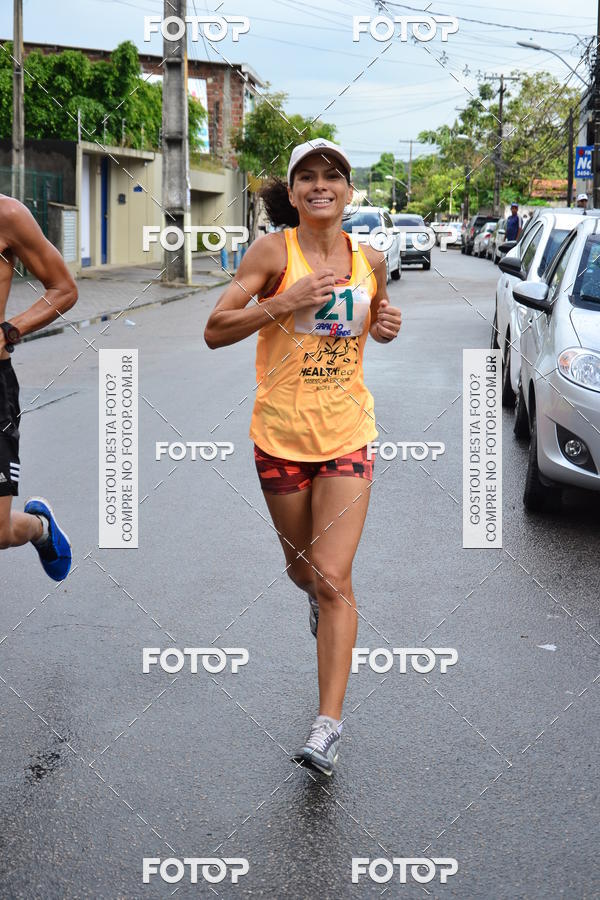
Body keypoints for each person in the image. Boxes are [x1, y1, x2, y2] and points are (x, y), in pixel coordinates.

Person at [204, 139, 402, 775]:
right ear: (292, 195)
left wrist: (383, 327)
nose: (322, 186)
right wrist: (286, 301)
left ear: (349, 192)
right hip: (280, 436)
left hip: (347, 432)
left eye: (333, 177)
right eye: (308, 178)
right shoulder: (271, 251)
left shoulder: (371, 259)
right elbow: (215, 329)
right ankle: (313, 594)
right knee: (303, 573)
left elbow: (370, 323)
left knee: (336, 576)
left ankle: (327, 725)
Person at [0, 196, 77, 580]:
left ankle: (40, 529)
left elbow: (63, 289)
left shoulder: (8, 215)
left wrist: (10, 330)